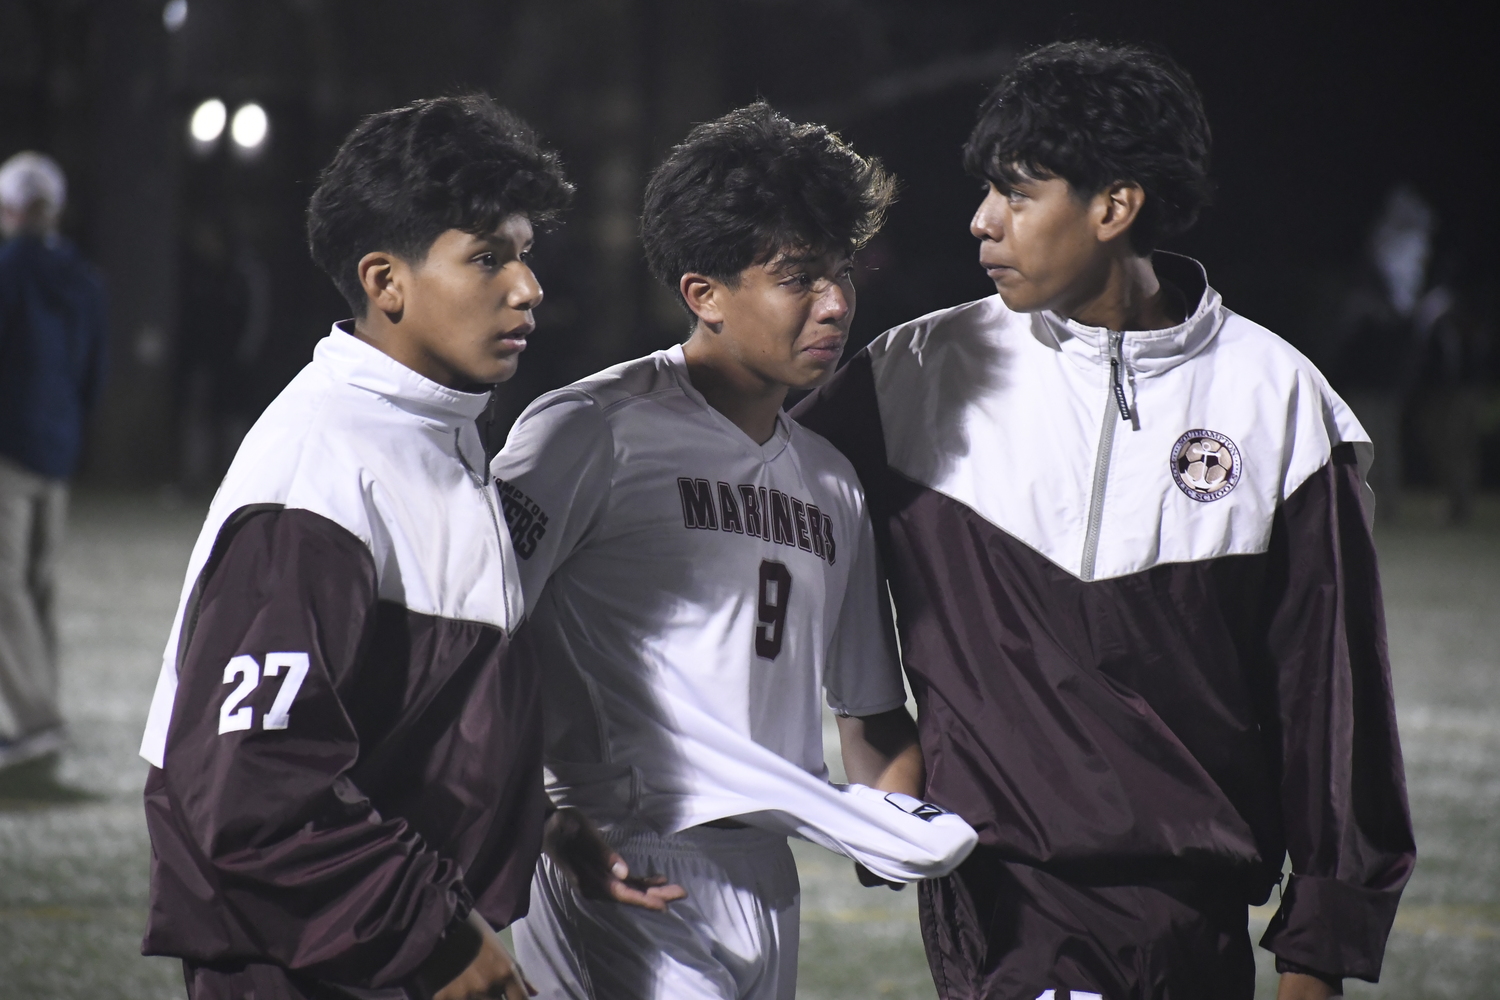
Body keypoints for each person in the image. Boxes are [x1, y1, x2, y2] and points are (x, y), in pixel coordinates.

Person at [794, 42, 1415, 1000]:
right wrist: (870, 716)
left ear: (1114, 207)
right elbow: (768, 517)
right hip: (996, 904)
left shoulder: (1278, 401)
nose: (982, 220)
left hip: (1194, 919)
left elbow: (1334, 700)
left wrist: (1318, 956)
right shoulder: (913, 374)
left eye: (1016, 193)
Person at [494, 103, 977, 1000]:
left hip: (766, 876)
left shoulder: (831, 480)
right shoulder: (588, 431)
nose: (836, 303)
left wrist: (892, 827)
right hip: (618, 859)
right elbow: (468, 644)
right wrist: (537, 821)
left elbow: (870, 715)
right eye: (798, 278)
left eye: (842, 273)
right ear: (703, 293)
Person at [138, 95, 573, 1000]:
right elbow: (250, 798)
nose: (526, 287)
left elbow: (419, 717)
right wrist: (436, 938)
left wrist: (538, 826)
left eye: (525, 253)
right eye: (487, 257)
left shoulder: (430, 430)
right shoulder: (321, 469)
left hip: (385, 941)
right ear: (386, 282)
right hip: (321, 964)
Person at [0, 151, 108, 771]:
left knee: (5, 588)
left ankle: (34, 719)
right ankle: (43, 711)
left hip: (9, 451)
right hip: (58, 450)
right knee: (36, 588)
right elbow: (94, 370)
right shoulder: (83, 277)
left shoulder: (9, 269)